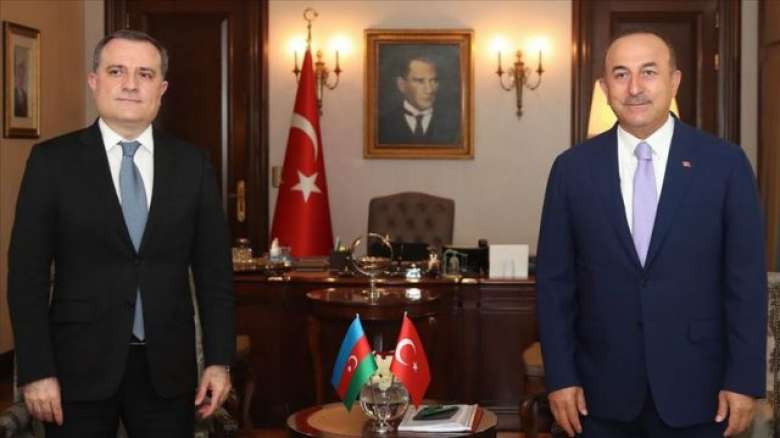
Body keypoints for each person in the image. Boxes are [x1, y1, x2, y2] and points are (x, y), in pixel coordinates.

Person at [536, 30, 766, 438]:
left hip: (701, 392)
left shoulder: (725, 164)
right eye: (621, 74)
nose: (634, 88)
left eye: (648, 72)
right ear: (604, 88)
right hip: (598, 394)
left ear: (674, 81)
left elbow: (745, 283)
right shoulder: (572, 169)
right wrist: (560, 377)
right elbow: (555, 284)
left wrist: (744, 381)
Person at [7, 30, 236, 437]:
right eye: (117, 71)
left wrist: (219, 361)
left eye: (145, 74)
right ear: (94, 81)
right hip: (76, 369)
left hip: (168, 370)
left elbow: (214, 275)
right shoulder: (51, 163)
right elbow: (26, 276)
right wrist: (37, 370)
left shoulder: (193, 165)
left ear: (161, 89)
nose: (131, 84)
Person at [378, 55, 459, 145]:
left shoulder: (455, 123)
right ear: (401, 85)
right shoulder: (382, 124)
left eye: (433, 81)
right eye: (420, 81)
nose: (429, 90)